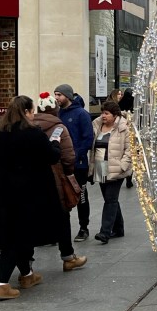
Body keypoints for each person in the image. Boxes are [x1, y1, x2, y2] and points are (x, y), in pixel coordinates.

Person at [0, 95, 64, 301]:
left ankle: (27, 275)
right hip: (30, 194)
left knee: (17, 234)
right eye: (32, 112)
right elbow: (52, 156)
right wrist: (55, 143)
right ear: (27, 112)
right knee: (15, 238)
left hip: (0, 194)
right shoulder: (33, 135)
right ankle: (2, 284)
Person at [34, 93, 87, 271]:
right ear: (55, 110)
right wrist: (68, 173)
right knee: (63, 216)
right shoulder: (59, 128)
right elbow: (68, 156)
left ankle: (28, 264)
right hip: (55, 178)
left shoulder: (29, 126)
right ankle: (68, 256)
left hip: (31, 180)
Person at [54, 83, 94, 242]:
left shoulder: (81, 114)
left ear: (68, 96)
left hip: (78, 164)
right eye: (55, 94)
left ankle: (84, 227)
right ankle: (61, 230)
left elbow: (87, 138)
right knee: (62, 197)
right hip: (61, 164)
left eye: (59, 95)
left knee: (81, 195)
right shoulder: (58, 114)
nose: (56, 98)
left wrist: (76, 155)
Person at [89, 102, 132, 244]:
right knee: (110, 199)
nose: (103, 116)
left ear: (115, 116)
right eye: (102, 113)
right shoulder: (96, 125)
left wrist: (122, 165)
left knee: (110, 199)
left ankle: (105, 232)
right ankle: (119, 229)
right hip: (100, 166)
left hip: (116, 167)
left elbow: (130, 149)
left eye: (106, 113)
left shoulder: (123, 128)